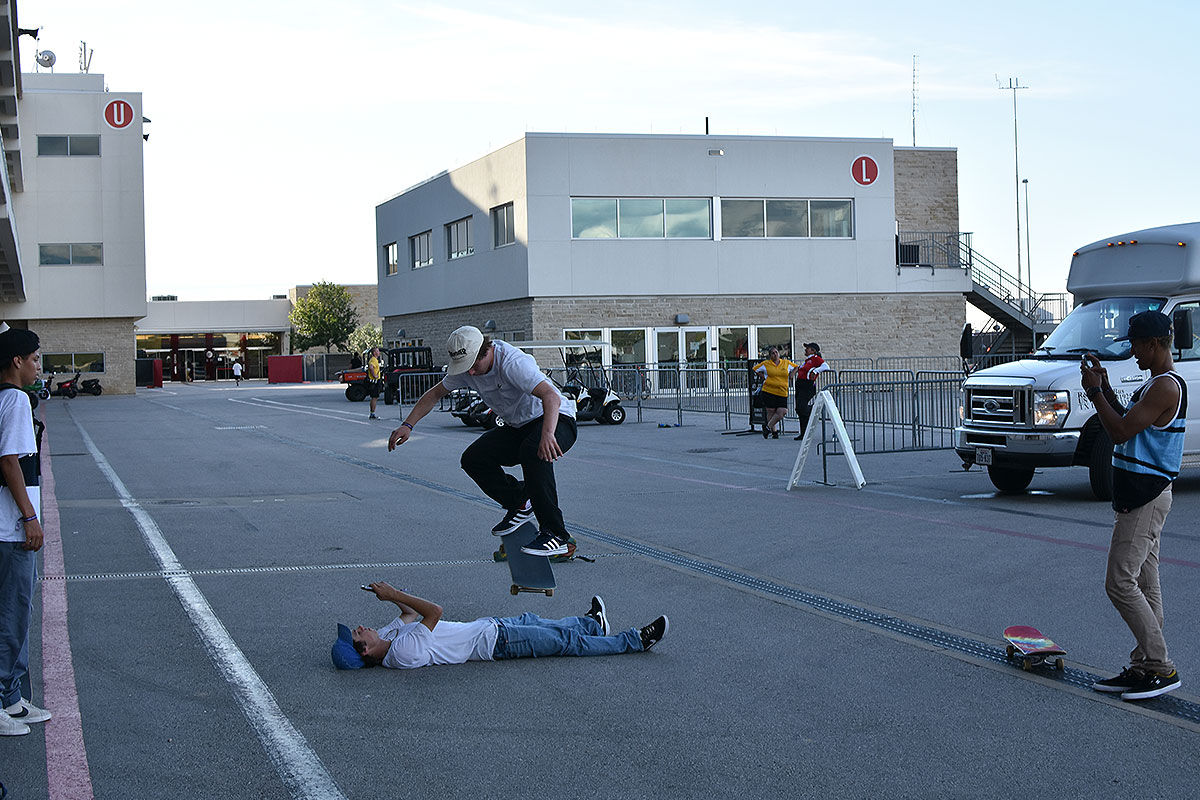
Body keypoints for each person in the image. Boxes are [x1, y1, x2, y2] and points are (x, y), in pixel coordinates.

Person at [388, 327, 578, 556]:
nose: (472, 374)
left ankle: (555, 534)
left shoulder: (512, 363)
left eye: (474, 366)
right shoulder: (467, 369)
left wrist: (548, 434)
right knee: (474, 458)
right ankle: (520, 500)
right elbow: (434, 395)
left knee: (533, 451)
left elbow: (550, 396)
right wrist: (408, 425)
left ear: (485, 351)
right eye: (466, 369)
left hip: (556, 419)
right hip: (519, 427)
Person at [1081, 310, 1185, 701]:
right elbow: (1126, 418)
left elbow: (1120, 431)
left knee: (1119, 582)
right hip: (1144, 495)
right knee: (1144, 582)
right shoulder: (1155, 383)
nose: (1133, 352)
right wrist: (1105, 389)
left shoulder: (1165, 387)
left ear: (1155, 344)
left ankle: (1159, 665)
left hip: (1145, 498)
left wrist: (1093, 394)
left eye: (1137, 345)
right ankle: (1144, 665)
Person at [331, 582, 668, 670]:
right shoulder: (402, 653)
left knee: (540, 622)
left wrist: (389, 597)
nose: (361, 627)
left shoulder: (389, 637)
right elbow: (432, 611)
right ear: (365, 650)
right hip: (496, 645)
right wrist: (395, 593)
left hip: (489, 627)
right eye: (358, 633)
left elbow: (407, 615)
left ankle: (592, 625)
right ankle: (635, 641)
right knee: (565, 642)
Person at [0, 328, 51, 736]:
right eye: (35, 359)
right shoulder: (15, 399)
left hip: (8, 526)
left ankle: (12, 698)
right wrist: (29, 517)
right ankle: (2, 699)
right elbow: (10, 461)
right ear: (16, 361)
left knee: (15, 616)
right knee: (12, 617)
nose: (39, 366)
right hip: (10, 528)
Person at [753, 346, 797, 439]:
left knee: (782, 411)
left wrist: (792, 374)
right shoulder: (766, 364)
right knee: (771, 411)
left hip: (782, 390)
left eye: (776, 352)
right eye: (773, 353)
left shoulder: (786, 363)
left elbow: (796, 367)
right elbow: (755, 369)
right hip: (769, 390)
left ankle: (767, 427)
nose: (775, 354)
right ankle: (774, 431)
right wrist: (763, 377)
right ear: (770, 356)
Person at [793, 342, 831, 440]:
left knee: (801, 408)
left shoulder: (815, 359)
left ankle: (814, 410)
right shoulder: (807, 360)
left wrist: (816, 371)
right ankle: (804, 433)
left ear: (813, 350)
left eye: (808, 348)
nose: (805, 349)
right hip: (800, 385)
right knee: (799, 409)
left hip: (807, 385)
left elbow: (826, 366)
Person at [366, 346, 382, 420]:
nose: (379, 352)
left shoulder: (375, 360)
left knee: (374, 398)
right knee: (374, 398)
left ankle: (372, 413)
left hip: (375, 381)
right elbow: (371, 367)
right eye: (378, 351)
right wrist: (374, 375)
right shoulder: (373, 360)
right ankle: (372, 413)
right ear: (375, 353)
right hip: (374, 382)